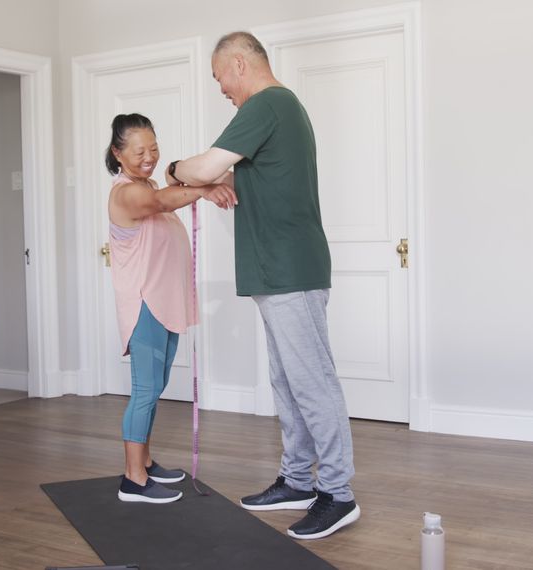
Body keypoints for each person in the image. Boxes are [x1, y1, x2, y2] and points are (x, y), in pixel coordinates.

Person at [165, 32, 359, 539]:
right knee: (288, 382)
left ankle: (338, 493)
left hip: (290, 269)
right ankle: (297, 480)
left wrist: (174, 170)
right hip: (279, 271)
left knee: (312, 381)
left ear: (238, 64)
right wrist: (213, 184)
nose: (222, 90)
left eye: (219, 79)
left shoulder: (267, 103)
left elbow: (207, 165)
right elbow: (236, 178)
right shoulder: (281, 110)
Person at [105, 113, 235, 504]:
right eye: (139, 151)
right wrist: (205, 190)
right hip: (144, 303)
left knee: (156, 386)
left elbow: (169, 190)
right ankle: (132, 480)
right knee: (145, 389)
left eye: (154, 148)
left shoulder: (148, 183)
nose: (149, 157)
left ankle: (144, 461)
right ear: (118, 153)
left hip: (164, 301)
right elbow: (162, 201)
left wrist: (208, 180)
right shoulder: (126, 192)